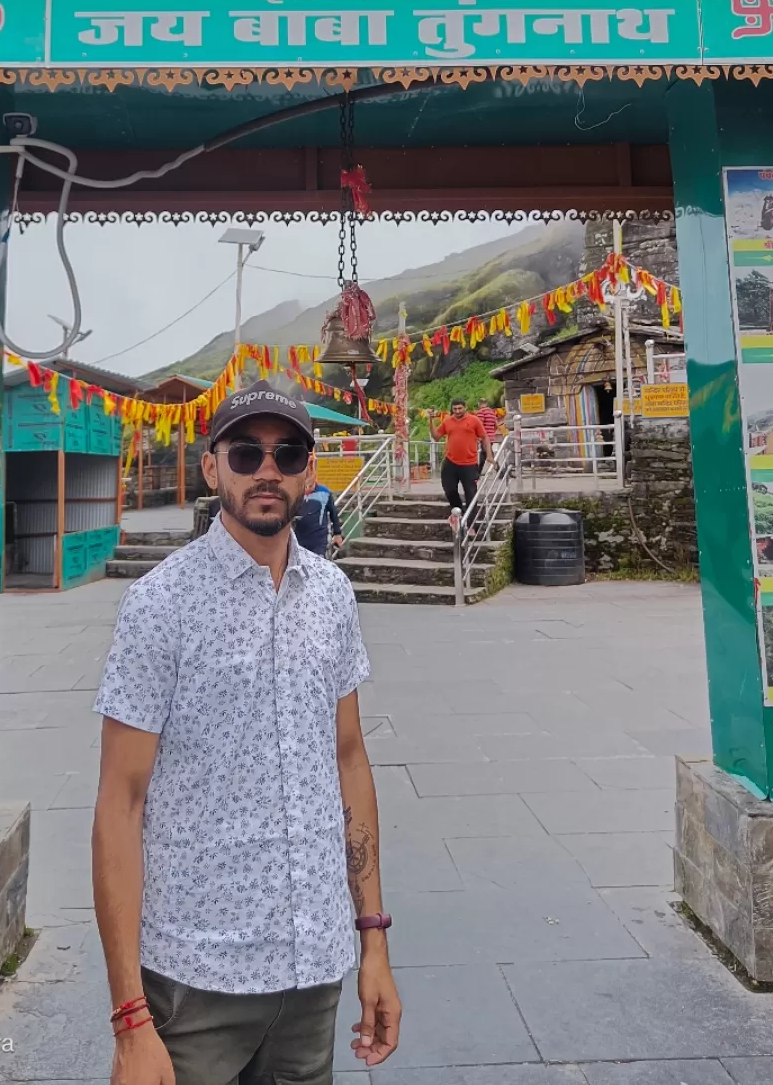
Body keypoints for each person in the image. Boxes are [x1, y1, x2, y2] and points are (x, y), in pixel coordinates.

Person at [92, 384, 401, 1085]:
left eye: (287, 453)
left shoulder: (331, 595)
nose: (268, 469)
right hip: (196, 978)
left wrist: (372, 941)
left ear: (310, 472)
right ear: (212, 468)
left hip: (314, 968)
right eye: (245, 452)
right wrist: (130, 1019)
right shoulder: (160, 605)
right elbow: (120, 806)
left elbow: (349, 761)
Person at [431, 397, 495, 530]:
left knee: (471, 494)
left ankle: (470, 524)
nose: (457, 411)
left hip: (469, 464)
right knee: (449, 490)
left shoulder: (474, 420)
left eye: (460, 408)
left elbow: (484, 437)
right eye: (455, 409)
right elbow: (436, 436)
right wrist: (430, 420)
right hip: (450, 462)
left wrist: (489, 455)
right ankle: (458, 513)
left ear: (465, 407)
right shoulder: (448, 420)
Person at [294, 478, 345, 558]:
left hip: (319, 538)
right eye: (305, 486)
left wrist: (337, 534)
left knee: (317, 563)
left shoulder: (324, 492)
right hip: (299, 537)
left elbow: (333, 513)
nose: (307, 489)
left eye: (309, 486)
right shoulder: (297, 492)